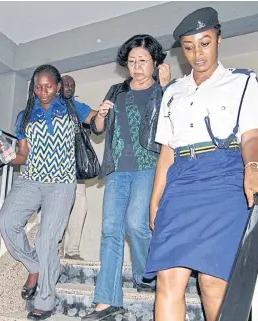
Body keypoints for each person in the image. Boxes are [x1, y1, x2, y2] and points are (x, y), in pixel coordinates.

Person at [144, 7, 258, 321]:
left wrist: (254, 169)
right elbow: (167, 150)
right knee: (168, 278)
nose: (198, 53)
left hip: (224, 178)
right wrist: (156, 198)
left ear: (219, 39)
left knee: (213, 280)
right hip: (180, 182)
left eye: (205, 43)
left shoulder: (242, 82)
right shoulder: (173, 92)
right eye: (190, 47)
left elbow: (250, 138)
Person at [0, 64, 102, 320]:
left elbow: (96, 121)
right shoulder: (25, 116)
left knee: (47, 240)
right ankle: (35, 265)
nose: (43, 91)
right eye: (38, 87)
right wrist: (1, 153)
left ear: (59, 86)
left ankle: (45, 299)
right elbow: (22, 156)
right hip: (31, 180)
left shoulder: (72, 108)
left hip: (62, 183)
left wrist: (104, 113)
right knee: (7, 222)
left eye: (48, 86)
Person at [82, 34, 172, 320]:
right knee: (111, 230)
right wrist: (100, 115)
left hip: (149, 165)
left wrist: (168, 87)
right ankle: (106, 301)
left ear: (155, 62)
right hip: (118, 168)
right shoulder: (116, 90)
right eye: (132, 61)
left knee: (137, 223)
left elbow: (175, 123)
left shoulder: (164, 90)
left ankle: (147, 274)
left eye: (143, 61)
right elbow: (98, 128)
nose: (136, 66)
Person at [62, 74, 90, 260]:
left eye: (72, 84)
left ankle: (72, 251)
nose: (69, 86)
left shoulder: (76, 107)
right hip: (53, 171)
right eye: (66, 83)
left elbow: (94, 118)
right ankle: (52, 250)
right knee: (54, 211)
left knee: (80, 207)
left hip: (75, 169)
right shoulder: (50, 104)